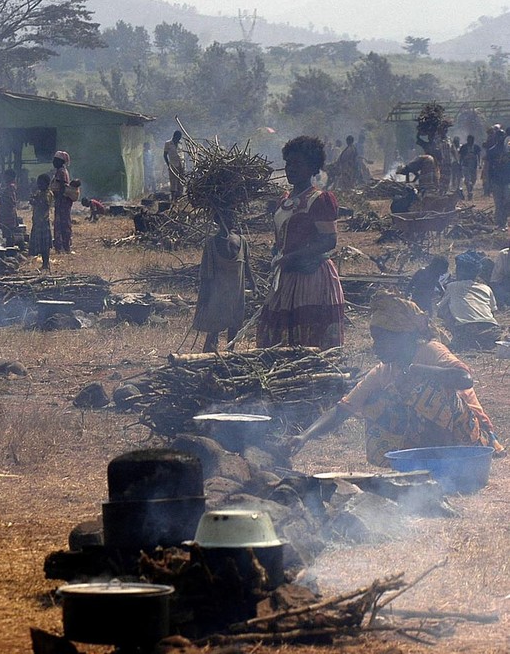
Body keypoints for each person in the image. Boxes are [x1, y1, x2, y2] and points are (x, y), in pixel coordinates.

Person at [290, 295, 501, 466]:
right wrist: (305, 436)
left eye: (382, 339)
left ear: (404, 337)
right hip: (429, 444)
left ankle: (440, 462)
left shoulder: (430, 350)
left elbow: (464, 379)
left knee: (429, 389)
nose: (375, 346)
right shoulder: (384, 371)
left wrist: (419, 370)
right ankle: (423, 462)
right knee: (374, 402)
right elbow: (343, 409)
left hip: (470, 441)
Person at [258, 136, 345, 349]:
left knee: (307, 338)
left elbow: (329, 240)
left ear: (312, 167)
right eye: (288, 163)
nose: (290, 169)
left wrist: (293, 257)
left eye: (297, 164)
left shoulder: (320, 200)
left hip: (312, 278)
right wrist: (278, 256)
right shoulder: (283, 200)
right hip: (286, 276)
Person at [193, 210, 253, 353]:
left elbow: (247, 266)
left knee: (234, 324)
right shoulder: (212, 243)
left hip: (236, 292)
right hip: (217, 292)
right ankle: (209, 353)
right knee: (214, 326)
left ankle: (229, 352)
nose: (230, 221)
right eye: (226, 218)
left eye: (231, 217)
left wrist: (254, 285)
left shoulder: (241, 241)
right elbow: (206, 273)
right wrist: (204, 296)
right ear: (218, 221)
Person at [438, 252, 500, 351]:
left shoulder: (452, 286)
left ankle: (457, 340)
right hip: (492, 331)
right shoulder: (486, 288)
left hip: (466, 331)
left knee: (446, 308)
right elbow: (493, 312)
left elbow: (440, 309)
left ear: (458, 271)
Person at [51, 151, 74, 254]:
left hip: (62, 202)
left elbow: (62, 187)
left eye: (56, 160)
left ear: (60, 161)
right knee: (62, 223)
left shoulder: (61, 172)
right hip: (62, 201)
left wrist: (58, 199)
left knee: (62, 223)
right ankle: (63, 246)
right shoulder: (61, 171)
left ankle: (64, 246)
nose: (53, 162)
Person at [29, 173, 54, 271]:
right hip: (37, 222)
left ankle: (46, 263)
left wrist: (35, 201)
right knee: (40, 243)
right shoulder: (39, 193)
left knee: (45, 245)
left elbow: (45, 205)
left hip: (43, 222)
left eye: (41, 183)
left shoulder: (48, 194)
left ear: (47, 184)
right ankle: (44, 263)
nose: (39, 185)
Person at [486, 126, 510, 226]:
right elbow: (488, 167)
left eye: (502, 136)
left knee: (507, 202)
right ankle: (500, 223)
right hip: (496, 181)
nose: (500, 138)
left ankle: (503, 221)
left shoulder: (508, 151)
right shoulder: (491, 151)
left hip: (507, 180)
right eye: (498, 136)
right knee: (499, 203)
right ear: (495, 138)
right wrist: (488, 181)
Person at [0, 169, 21, 246]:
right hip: (6, 213)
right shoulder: (8, 187)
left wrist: (0, 198)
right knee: (7, 233)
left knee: (8, 233)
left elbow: (11, 201)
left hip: (8, 214)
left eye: (5, 176)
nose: (4, 178)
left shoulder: (10, 187)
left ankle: (10, 249)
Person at [164, 130, 185, 200]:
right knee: (173, 181)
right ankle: (173, 198)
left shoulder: (181, 143)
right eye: (178, 137)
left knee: (181, 180)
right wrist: (168, 164)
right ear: (175, 136)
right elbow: (165, 155)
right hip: (173, 164)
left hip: (181, 164)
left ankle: (180, 197)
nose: (179, 139)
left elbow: (182, 153)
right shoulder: (168, 143)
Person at [459, 134, 481, 200]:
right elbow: (461, 157)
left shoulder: (476, 147)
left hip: (473, 165)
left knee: (474, 179)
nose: (470, 141)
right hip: (466, 165)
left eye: (472, 140)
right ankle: (469, 192)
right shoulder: (464, 147)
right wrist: (460, 164)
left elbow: (479, 156)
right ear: (467, 140)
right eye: (469, 140)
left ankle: (471, 188)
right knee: (467, 179)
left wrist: (479, 164)